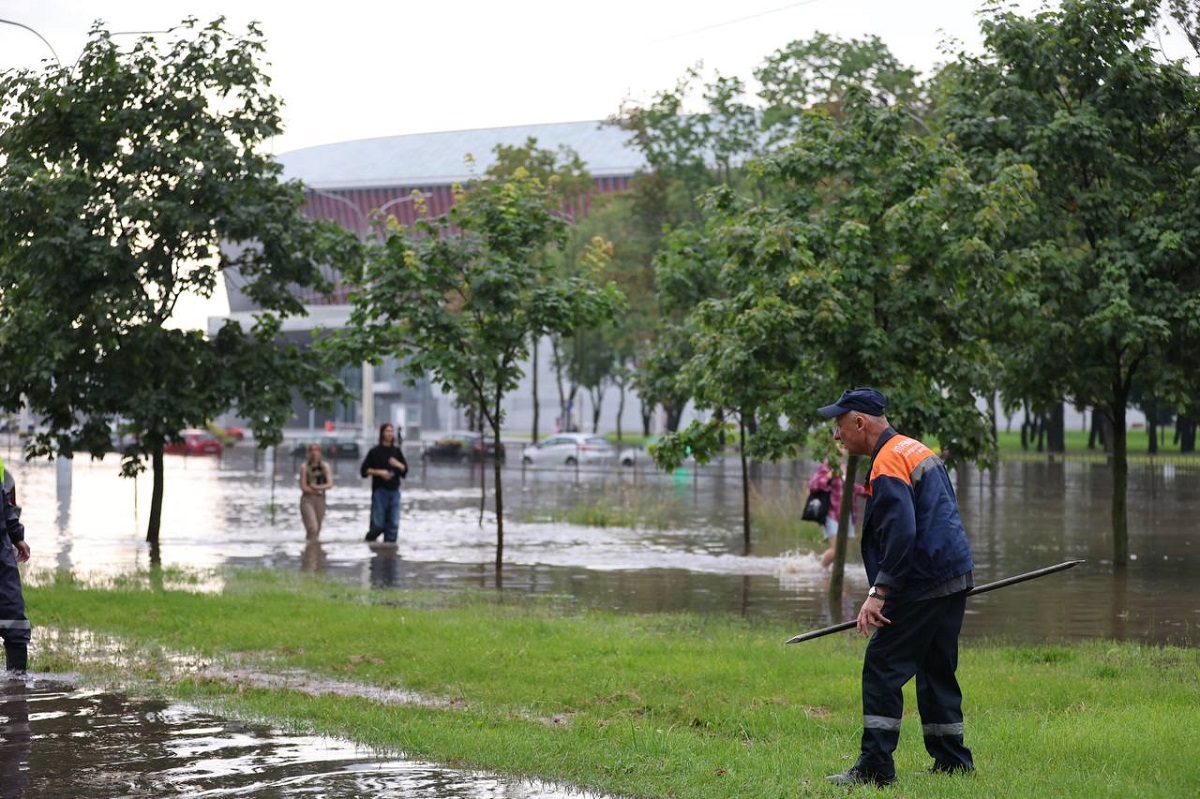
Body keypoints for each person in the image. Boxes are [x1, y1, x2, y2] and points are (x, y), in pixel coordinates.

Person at [817, 387, 975, 787]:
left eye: (839, 427)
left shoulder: (888, 462)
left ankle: (874, 768)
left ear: (859, 422)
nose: (837, 437)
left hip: (922, 582)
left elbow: (902, 533)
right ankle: (953, 762)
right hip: (952, 575)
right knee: (936, 668)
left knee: (882, 667)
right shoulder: (915, 449)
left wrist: (879, 592)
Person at [808, 451, 867, 568]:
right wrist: (829, 476)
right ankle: (820, 572)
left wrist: (867, 492)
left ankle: (832, 576)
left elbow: (851, 487)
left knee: (841, 552)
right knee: (836, 550)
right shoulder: (827, 465)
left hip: (848, 514)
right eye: (839, 445)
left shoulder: (846, 466)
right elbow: (813, 485)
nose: (843, 448)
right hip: (832, 513)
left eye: (844, 446)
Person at [0, 459, 30, 675]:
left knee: (14, 615)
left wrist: (16, 535)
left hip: (1, 552)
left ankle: (17, 684)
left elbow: (4, 501)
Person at [360, 423, 407, 543]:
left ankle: (389, 553)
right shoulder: (374, 452)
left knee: (393, 524)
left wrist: (398, 465)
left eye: (391, 431)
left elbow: (404, 470)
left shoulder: (397, 451)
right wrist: (380, 472)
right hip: (380, 491)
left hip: (394, 491)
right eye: (387, 431)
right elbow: (364, 471)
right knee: (378, 525)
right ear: (382, 433)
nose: (390, 433)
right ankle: (369, 541)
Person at [299, 442, 333, 541]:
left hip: (320, 499)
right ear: (308, 453)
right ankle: (309, 551)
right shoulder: (304, 467)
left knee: (317, 529)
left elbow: (330, 484)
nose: (314, 453)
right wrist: (314, 489)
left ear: (320, 452)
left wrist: (317, 487)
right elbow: (303, 486)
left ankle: (314, 551)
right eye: (312, 450)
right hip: (307, 499)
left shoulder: (325, 466)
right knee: (312, 527)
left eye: (316, 450)